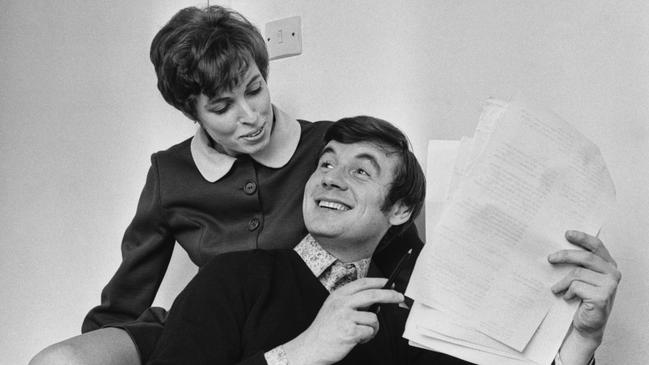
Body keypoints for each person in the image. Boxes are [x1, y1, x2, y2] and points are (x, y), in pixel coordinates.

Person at [29, 6, 421, 365]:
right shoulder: (171, 173)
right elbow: (130, 286)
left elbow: (385, 222)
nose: (250, 117)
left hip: (288, 319)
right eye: (222, 107)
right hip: (195, 324)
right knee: (60, 361)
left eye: (254, 90)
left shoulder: (325, 152)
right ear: (192, 112)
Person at [145, 116, 621, 365]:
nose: (330, 178)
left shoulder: (425, 308)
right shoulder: (233, 279)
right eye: (326, 164)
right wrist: (299, 353)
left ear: (400, 210)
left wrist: (580, 340)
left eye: (360, 171)